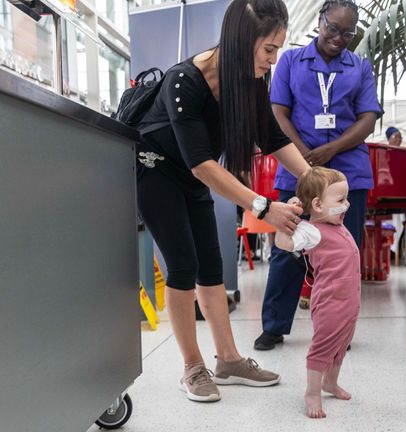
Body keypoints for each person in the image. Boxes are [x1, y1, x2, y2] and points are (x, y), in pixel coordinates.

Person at [135, 0, 310, 402]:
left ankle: (228, 360)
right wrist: (264, 206)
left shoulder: (248, 81)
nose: (274, 59)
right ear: (242, 41)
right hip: (155, 170)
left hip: (193, 175)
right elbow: (201, 165)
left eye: (279, 49)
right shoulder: (185, 81)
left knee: (211, 267)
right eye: (269, 49)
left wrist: (314, 178)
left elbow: (273, 138)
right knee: (183, 265)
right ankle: (192, 367)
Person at [254, 0, 382, 351]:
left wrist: (329, 151)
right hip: (296, 170)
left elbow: (367, 119)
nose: (338, 38)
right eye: (333, 28)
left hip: (347, 174)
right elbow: (277, 112)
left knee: (343, 251)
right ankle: (274, 326)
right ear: (320, 21)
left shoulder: (360, 67)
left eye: (348, 32)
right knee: (288, 248)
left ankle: (339, 328)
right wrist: (302, 157)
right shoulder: (291, 62)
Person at [275, 167, 360, 418]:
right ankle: (312, 392)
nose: (347, 205)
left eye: (346, 198)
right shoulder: (311, 231)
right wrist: (287, 219)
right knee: (323, 348)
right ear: (317, 205)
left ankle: (330, 382)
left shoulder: (335, 222)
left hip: (350, 301)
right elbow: (283, 244)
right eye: (341, 200)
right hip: (330, 302)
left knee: (341, 345)